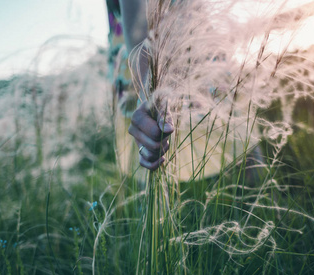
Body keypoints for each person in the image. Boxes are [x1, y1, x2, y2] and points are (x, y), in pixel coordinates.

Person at [107, 0, 261, 180]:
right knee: (150, 141)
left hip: (190, 38)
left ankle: (258, 195)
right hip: (152, 46)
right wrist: (149, 91)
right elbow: (137, 31)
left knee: (230, 130)